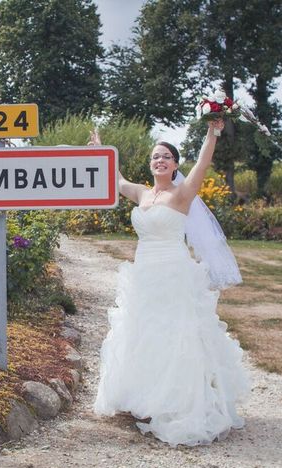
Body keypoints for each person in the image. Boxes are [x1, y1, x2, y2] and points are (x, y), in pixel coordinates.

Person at [92, 119, 250, 447]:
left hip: (174, 272)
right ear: (150, 164)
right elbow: (116, 178)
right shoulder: (141, 193)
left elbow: (204, 162)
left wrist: (212, 133)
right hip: (145, 272)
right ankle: (145, 397)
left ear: (175, 164)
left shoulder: (183, 194)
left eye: (166, 156)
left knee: (175, 333)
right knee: (144, 331)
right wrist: (100, 151)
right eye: (155, 157)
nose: (159, 160)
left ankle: (176, 400)